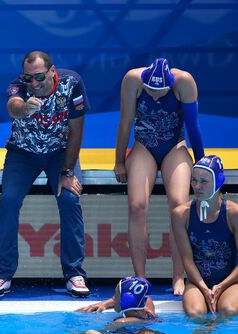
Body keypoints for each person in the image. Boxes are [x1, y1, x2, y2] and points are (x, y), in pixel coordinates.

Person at [0, 51, 89, 298]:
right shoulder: (19, 87)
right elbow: (13, 107)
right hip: (23, 153)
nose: (34, 83)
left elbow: (76, 131)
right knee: (9, 201)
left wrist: (67, 171)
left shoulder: (71, 83)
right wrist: (25, 108)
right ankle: (2, 273)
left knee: (69, 198)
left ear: (53, 72)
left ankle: (74, 273)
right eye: (28, 78)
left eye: (39, 77)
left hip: (59, 153)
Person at [114, 58, 204, 296]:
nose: (154, 97)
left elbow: (193, 127)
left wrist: (202, 164)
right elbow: (124, 123)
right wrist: (119, 161)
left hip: (175, 146)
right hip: (143, 146)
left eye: (159, 92)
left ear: (170, 85)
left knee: (179, 206)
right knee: (136, 205)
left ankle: (178, 277)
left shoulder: (184, 82)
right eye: (150, 92)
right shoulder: (132, 79)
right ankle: (140, 278)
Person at [172, 155, 238, 318]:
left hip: (231, 282)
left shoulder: (233, 214)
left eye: (204, 181)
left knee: (228, 311)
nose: (197, 186)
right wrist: (203, 288)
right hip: (197, 281)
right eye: (194, 180)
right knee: (195, 314)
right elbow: (187, 260)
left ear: (218, 181)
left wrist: (221, 286)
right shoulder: (181, 214)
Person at [77, 276, 157, 334]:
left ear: (125, 300)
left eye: (116, 294)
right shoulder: (149, 311)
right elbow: (143, 297)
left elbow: (102, 331)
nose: (113, 299)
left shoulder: (121, 322)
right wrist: (104, 304)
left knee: (90, 332)